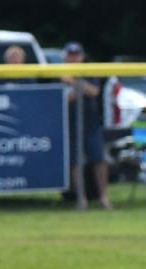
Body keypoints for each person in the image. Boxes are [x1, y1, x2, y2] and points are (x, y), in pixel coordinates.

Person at [62, 41, 112, 210]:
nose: (74, 57)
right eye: (70, 54)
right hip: (69, 122)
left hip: (90, 122)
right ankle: (81, 199)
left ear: (82, 57)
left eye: (76, 54)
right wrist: (79, 87)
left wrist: (74, 83)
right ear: (65, 56)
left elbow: (94, 91)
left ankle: (104, 197)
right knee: (74, 162)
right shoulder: (58, 72)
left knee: (98, 159)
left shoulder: (90, 71)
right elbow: (65, 99)